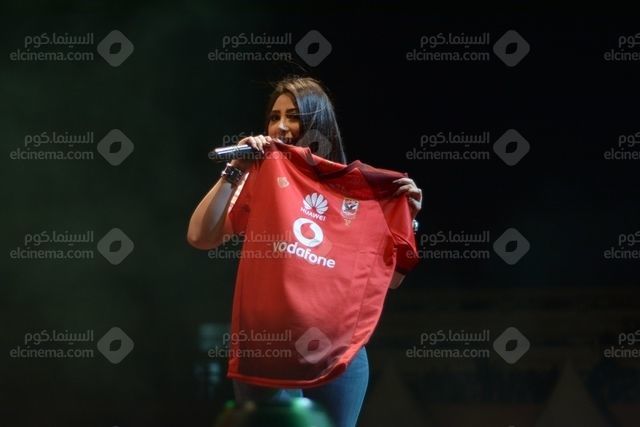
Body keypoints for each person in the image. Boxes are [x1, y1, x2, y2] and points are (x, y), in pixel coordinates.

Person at [187, 76, 422, 427]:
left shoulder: (359, 192)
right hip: (270, 347)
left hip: (341, 353)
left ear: (318, 123)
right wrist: (235, 169)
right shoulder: (260, 175)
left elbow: (392, 281)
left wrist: (408, 219)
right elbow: (200, 236)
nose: (280, 127)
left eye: (293, 117)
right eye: (274, 117)